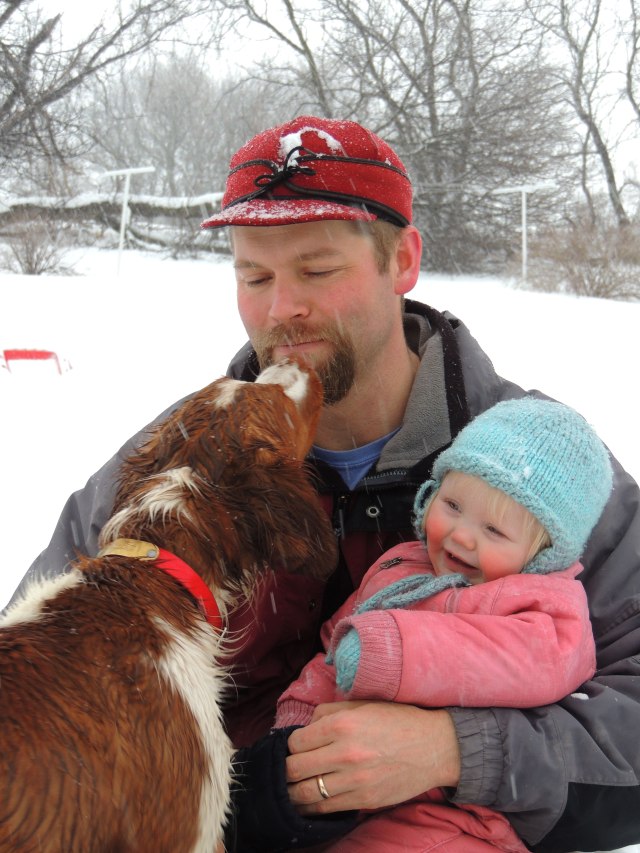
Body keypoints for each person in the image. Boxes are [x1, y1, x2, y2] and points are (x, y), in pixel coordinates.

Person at [10, 116, 640, 851]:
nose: (281, 310)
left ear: (402, 259)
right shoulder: (171, 473)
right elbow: (36, 691)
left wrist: (457, 750)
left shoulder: (537, 468)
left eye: (316, 270)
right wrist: (237, 796)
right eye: (254, 276)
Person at [233, 397, 611, 852]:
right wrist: (295, 726)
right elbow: (335, 651)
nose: (461, 534)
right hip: (352, 792)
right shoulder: (399, 567)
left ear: (542, 555)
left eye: (495, 531)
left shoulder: (543, 604)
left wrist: (394, 652)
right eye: (452, 504)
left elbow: (538, 661)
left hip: (454, 818)